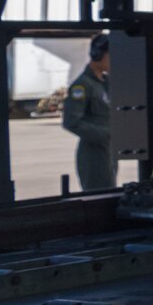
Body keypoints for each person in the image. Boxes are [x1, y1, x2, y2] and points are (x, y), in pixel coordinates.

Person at [62, 35, 114, 191]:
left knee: (110, 193)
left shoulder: (106, 83)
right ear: (100, 55)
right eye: (112, 55)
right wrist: (106, 134)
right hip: (94, 154)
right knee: (99, 196)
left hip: (108, 150)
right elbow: (71, 122)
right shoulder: (82, 86)